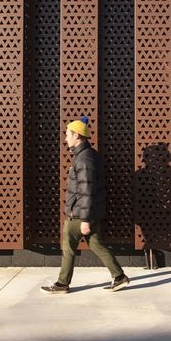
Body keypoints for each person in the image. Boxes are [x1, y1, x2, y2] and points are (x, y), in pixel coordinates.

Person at [41, 117, 129, 294]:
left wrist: (85, 220)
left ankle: (62, 284)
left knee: (68, 248)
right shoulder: (89, 155)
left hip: (81, 214)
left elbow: (87, 190)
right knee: (97, 244)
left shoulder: (83, 160)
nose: (65, 139)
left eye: (67, 135)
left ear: (77, 135)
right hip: (88, 212)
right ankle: (119, 276)